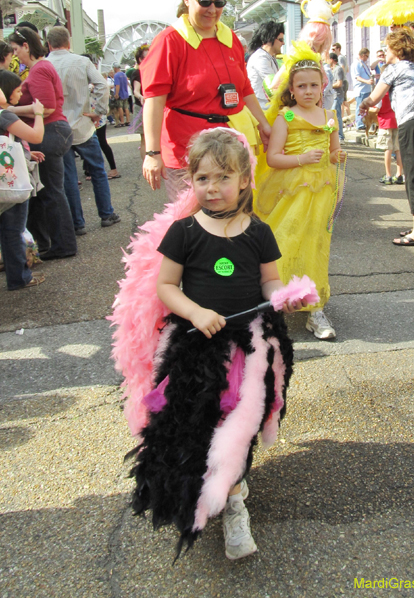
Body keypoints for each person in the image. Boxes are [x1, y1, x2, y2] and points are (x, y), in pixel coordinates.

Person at [119, 128, 305, 559]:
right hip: (195, 346)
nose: (213, 187)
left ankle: (234, 501)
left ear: (244, 180)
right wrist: (194, 312)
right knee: (194, 424)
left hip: (247, 348)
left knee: (236, 422)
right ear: (191, 181)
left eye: (223, 178)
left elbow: (270, 281)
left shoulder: (259, 232)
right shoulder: (183, 232)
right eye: (202, 179)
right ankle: (207, 489)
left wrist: (285, 296)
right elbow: (166, 286)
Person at [141, 0, 271, 200]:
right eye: (205, 2)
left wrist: (263, 124)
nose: (213, 10)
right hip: (186, 150)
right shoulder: (169, 41)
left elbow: (244, 89)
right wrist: (152, 153)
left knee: (233, 218)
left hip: (229, 147)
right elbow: (154, 99)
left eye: (219, 3)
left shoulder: (230, 37)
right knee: (193, 224)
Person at [256, 48, 345, 339]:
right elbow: (273, 158)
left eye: (314, 85)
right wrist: (301, 159)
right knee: (286, 241)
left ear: (323, 87)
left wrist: (337, 156)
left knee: (316, 245)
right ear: (292, 91)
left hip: (321, 192)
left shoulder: (329, 115)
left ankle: (314, 308)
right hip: (292, 193)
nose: (309, 91)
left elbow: (333, 152)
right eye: (302, 86)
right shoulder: (287, 117)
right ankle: (274, 301)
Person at [360, 28, 414, 246]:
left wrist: (363, 104)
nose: (385, 51)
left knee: (412, 177)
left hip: (412, 123)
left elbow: (374, 98)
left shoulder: (392, 69)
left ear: (396, 49)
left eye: (387, 47)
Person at [9, 26, 77, 260]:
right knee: (53, 191)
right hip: (54, 129)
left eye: (16, 49)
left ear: (26, 46)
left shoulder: (38, 71)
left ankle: (63, 245)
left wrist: (9, 110)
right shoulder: (42, 68)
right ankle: (60, 243)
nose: (15, 54)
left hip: (49, 131)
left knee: (51, 192)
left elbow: (45, 106)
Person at [46, 27, 120, 234]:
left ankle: (77, 223)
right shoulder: (82, 61)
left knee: (68, 176)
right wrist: (99, 111)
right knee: (97, 170)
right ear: (68, 43)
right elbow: (102, 85)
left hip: (57, 126)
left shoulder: (44, 65)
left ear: (49, 44)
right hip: (82, 124)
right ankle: (106, 213)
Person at [0, 71, 46, 289]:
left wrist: (27, 154)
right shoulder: (4, 115)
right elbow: (36, 136)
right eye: (17, 90)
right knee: (13, 229)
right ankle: (20, 277)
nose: (19, 94)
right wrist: (38, 114)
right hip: (11, 184)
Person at [246, 21, 284, 109]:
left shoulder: (269, 57)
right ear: (270, 39)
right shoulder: (260, 57)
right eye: (281, 39)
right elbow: (273, 85)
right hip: (262, 109)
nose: (283, 43)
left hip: (267, 108)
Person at [129, 45, 148, 159]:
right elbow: (136, 91)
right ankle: (147, 167)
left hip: (152, 106)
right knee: (145, 139)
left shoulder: (152, 71)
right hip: (142, 107)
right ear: (140, 59)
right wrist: (141, 97)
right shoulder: (137, 72)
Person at [352, 48, 373, 130]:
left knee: (365, 108)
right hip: (361, 90)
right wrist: (367, 81)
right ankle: (359, 125)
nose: (367, 58)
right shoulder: (356, 64)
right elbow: (357, 77)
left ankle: (364, 123)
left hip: (366, 89)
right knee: (360, 107)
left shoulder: (363, 63)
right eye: (367, 56)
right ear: (363, 55)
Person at [329, 51, 345, 141]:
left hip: (337, 95)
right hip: (334, 95)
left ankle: (340, 136)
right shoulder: (333, 69)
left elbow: (339, 83)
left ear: (331, 59)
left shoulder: (338, 69)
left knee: (337, 116)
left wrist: (328, 86)